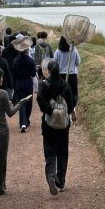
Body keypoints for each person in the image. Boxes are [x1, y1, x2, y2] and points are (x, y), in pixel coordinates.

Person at [0, 67, 32, 208]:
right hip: (2, 132)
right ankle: (1, 187)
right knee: (1, 161)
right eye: (1, 77)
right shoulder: (3, 94)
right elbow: (10, 113)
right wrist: (20, 103)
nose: (3, 79)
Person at [36, 60, 74, 195]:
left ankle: (51, 176)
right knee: (62, 152)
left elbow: (39, 98)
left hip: (48, 125)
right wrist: (63, 113)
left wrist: (49, 110)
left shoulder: (44, 85)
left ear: (49, 71)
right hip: (63, 126)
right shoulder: (65, 85)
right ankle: (61, 180)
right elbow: (71, 105)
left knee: (50, 151)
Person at [11, 36, 37, 132]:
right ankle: (26, 121)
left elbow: (13, 74)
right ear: (26, 50)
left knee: (21, 102)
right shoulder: (30, 60)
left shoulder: (15, 60)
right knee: (28, 102)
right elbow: (33, 74)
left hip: (18, 82)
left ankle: (23, 123)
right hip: (28, 82)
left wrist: (13, 85)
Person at [54, 36, 81, 107]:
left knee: (62, 93)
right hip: (72, 75)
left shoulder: (57, 51)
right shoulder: (74, 50)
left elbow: (55, 63)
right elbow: (78, 62)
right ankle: (73, 108)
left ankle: (62, 107)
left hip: (61, 76)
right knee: (73, 93)